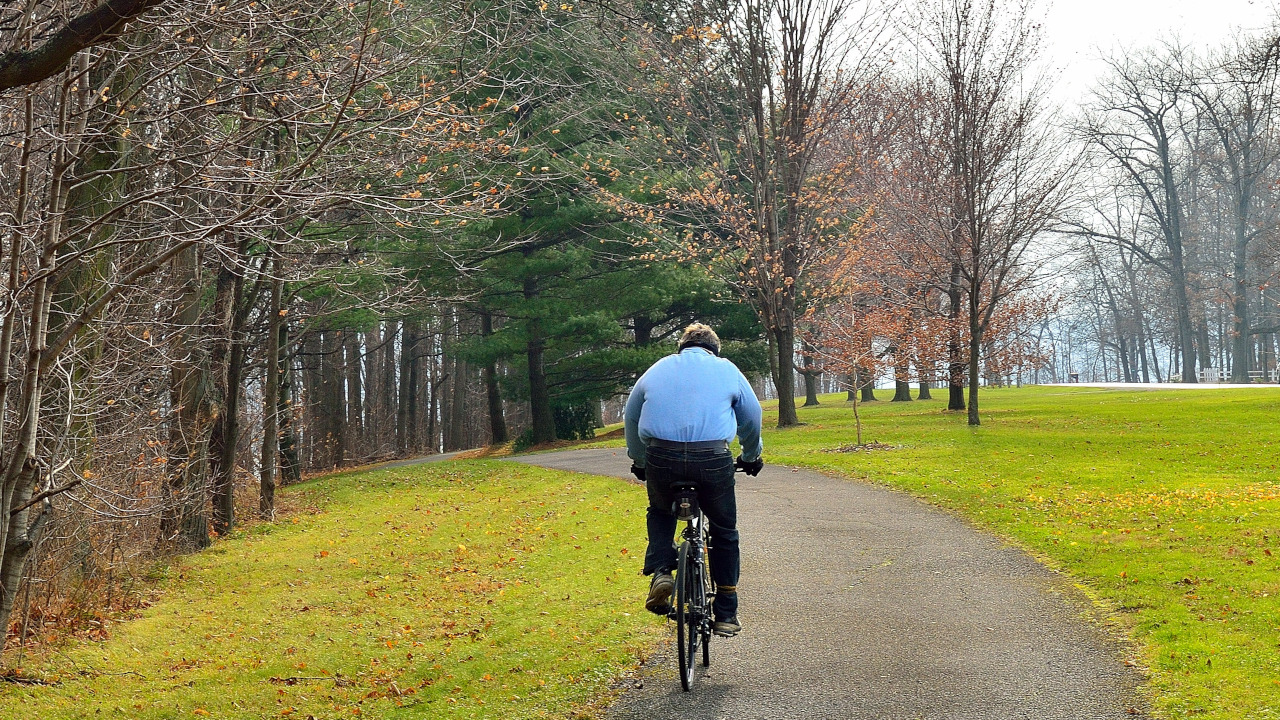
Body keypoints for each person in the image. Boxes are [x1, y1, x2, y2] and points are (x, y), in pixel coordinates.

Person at [623, 323, 763, 637]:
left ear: (681, 348)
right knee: (725, 531)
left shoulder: (657, 369)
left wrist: (640, 461)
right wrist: (751, 456)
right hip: (712, 459)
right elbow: (752, 416)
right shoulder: (726, 369)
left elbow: (631, 417)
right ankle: (726, 609)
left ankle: (661, 571)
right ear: (715, 349)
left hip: (662, 457)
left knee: (660, 511)